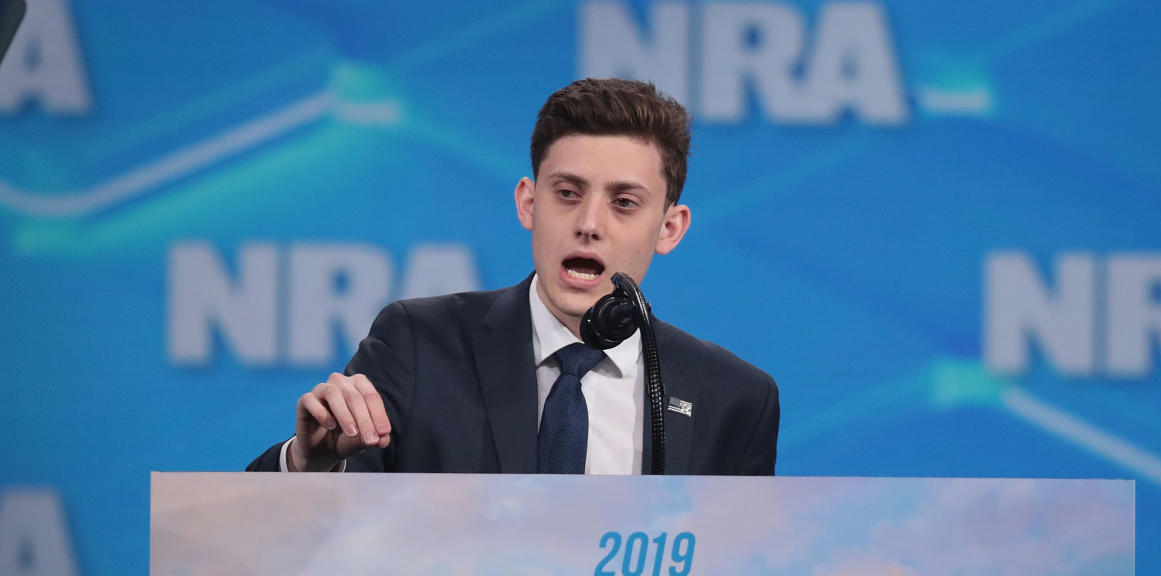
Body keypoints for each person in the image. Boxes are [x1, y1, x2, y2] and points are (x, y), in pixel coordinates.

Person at [247, 78, 778, 475]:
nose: (589, 225)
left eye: (624, 203)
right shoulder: (418, 347)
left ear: (669, 228)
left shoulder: (733, 399)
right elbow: (285, 551)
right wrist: (308, 466)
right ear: (529, 203)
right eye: (567, 194)